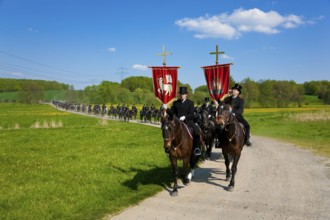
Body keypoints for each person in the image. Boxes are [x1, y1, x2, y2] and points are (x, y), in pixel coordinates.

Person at [163, 86, 202, 156]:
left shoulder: (190, 103)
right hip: (177, 122)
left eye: (183, 94)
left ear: (186, 95)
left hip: (188, 121)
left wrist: (185, 117)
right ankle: (169, 148)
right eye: (181, 94)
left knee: (196, 130)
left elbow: (192, 114)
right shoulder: (176, 103)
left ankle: (197, 148)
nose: (182, 95)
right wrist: (166, 108)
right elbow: (172, 112)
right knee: (169, 131)